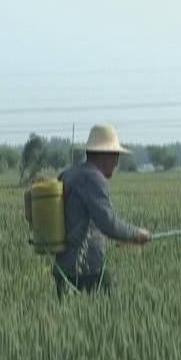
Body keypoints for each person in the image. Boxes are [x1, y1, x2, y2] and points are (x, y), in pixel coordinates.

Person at [54, 124, 151, 299]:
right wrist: (136, 234)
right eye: (116, 156)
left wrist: (124, 238)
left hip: (63, 268)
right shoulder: (93, 178)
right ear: (105, 155)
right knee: (113, 311)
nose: (117, 163)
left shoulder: (67, 174)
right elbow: (108, 223)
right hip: (86, 269)